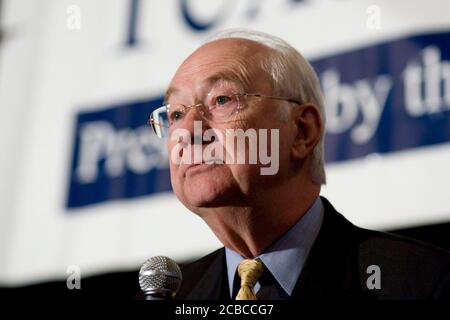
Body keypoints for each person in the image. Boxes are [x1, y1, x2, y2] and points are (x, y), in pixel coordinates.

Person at [148, 29, 450, 300]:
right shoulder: (175, 296)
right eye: (175, 114)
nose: (187, 131)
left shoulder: (423, 283)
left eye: (222, 99)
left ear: (302, 131)